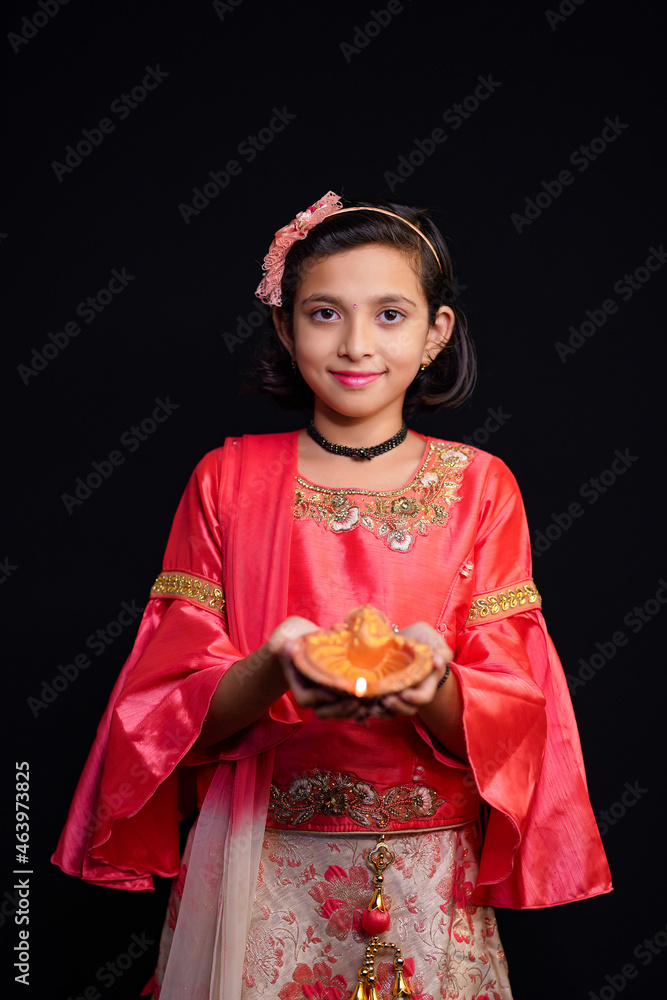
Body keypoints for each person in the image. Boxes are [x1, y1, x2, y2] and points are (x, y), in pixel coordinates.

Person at [53, 191, 612, 999]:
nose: (356, 343)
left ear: (435, 334)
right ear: (284, 329)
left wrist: (431, 683)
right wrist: (276, 667)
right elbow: (164, 712)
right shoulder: (227, 480)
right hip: (259, 863)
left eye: (390, 314)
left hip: (428, 874)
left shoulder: (480, 488)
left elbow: (517, 720)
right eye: (323, 313)